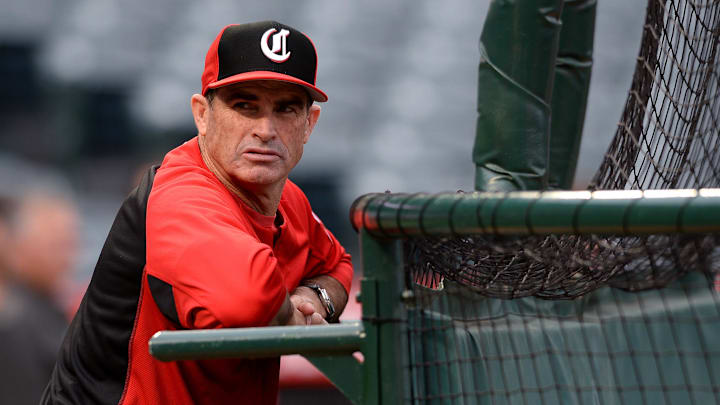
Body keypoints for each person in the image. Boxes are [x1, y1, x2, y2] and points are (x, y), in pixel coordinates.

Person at [42, 21, 353, 405]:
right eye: (245, 105)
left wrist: (314, 298)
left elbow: (337, 265)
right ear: (202, 115)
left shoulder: (289, 199)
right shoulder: (180, 193)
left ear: (309, 124)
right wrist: (290, 313)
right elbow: (248, 298)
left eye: (286, 109)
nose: (266, 129)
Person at [0, 191, 78, 405]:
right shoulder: (13, 319)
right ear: (19, 246)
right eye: (56, 245)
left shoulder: (52, 307)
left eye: (70, 245)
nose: (67, 257)